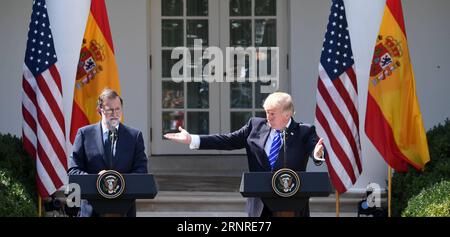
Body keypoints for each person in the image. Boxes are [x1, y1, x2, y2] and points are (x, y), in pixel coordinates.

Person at [164, 91, 325, 217]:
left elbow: (314, 149)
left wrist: (317, 154)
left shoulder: (304, 131)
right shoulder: (255, 126)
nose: (267, 117)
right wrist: (192, 139)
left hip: (292, 205)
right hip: (259, 205)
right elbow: (228, 140)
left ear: (287, 114)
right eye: (266, 112)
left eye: (272, 113)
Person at [68, 88, 148, 217]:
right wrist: (98, 179)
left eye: (118, 109)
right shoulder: (84, 134)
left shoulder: (134, 136)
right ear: (99, 110)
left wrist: (118, 180)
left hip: (124, 210)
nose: (115, 114)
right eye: (110, 110)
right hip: (91, 210)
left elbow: (141, 170)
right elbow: (74, 170)